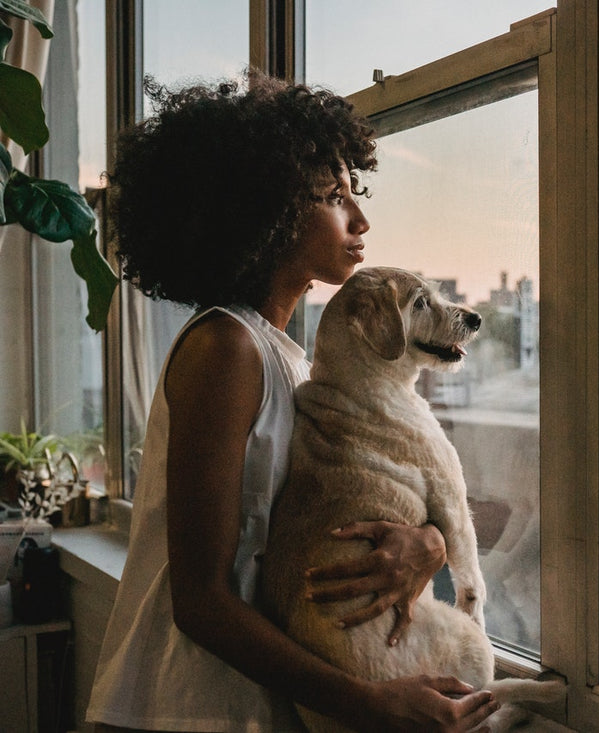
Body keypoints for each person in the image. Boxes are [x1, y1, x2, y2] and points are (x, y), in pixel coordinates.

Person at [85, 72, 500, 732]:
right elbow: (201, 599)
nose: (360, 219)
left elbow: (311, 523)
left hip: (252, 702)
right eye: (335, 197)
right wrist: (367, 700)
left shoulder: (286, 356)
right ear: (266, 210)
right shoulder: (227, 347)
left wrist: (428, 543)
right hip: (185, 705)